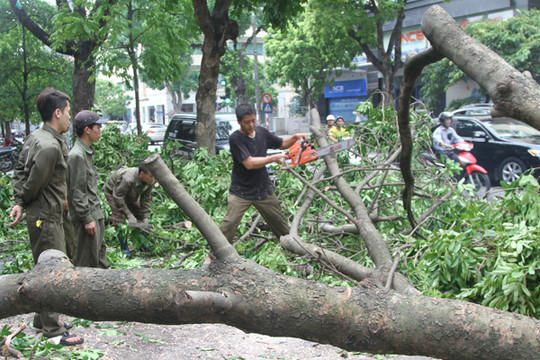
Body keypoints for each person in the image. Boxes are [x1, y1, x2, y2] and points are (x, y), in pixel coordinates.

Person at [9, 88, 84, 346]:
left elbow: (19, 169)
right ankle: (52, 331)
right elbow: (33, 183)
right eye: (68, 112)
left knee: (48, 265)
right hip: (45, 217)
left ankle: (43, 319)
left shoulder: (39, 136)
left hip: (51, 214)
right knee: (51, 271)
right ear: (57, 112)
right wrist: (22, 201)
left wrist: (19, 200)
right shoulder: (49, 146)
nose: (69, 118)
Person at [217, 103, 308, 247]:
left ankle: (294, 248)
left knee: (280, 224)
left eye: (253, 120)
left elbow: (282, 143)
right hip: (241, 191)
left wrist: (295, 138)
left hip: (263, 189)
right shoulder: (235, 139)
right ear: (239, 121)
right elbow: (249, 163)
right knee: (229, 224)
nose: (251, 125)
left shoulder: (261, 132)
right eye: (247, 122)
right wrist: (273, 158)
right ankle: (216, 254)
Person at [67, 110, 108, 268]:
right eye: (97, 127)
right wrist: (87, 218)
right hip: (88, 218)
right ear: (87, 129)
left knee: (99, 256)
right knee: (87, 263)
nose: (100, 131)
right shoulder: (77, 156)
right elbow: (77, 192)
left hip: (95, 214)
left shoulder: (86, 152)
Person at [103, 163, 155, 258]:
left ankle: (140, 243)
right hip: (114, 193)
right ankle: (124, 248)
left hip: (130, 195)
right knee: (119, 219)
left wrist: (145, 217)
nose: (153, 179)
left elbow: (145, 199)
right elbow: (118, 198)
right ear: (142, 174)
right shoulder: (127, 179)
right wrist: (129, 215)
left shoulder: (150, 182)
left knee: (139, 214)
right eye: (151, 176)